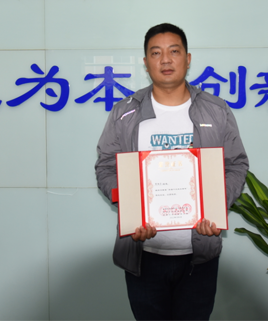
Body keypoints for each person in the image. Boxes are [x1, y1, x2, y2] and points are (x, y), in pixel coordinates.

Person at [95, 23, 249, 321]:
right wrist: (132, 209)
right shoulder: (125, 113)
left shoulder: (216, 110)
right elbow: (106, 166)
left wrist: (216, 207)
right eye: (156, 53)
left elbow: (236, 164)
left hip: (199, 256)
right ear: (146, 62)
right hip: (143, 255)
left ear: (187, 59)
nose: (165, 60)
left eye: (174, 51)